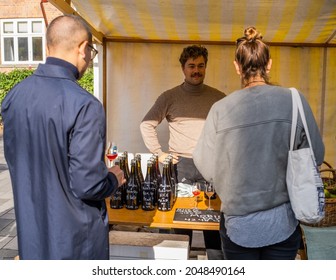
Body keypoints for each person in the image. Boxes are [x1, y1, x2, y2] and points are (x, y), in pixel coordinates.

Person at [193, 27, 325, 260]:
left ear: (237, 66)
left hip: (238, 225)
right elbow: (316, 154)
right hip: (282, 222)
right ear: (269, 64)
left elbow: (205, 164)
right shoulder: (293, 100)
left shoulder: (220, 109)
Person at [1, 15, 125, 260]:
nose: (90, 60)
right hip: (75, 241)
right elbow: (88, 184)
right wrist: (113, 178)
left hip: (32, 235)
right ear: (83, 48)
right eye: (92, 52)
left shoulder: (14, 96)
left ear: (48, 47)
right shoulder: (85, 105)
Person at [140, 45, 225, 259]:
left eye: (201, 66)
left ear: (206, 67)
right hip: (179, 168)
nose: (196, 70)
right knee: (179, 229)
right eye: (191, 66)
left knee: (214, 228)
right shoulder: (169, 97)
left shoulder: (219, 97)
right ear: (183, 68)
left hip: (210, 168)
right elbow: (146, 124)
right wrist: (159, 153)